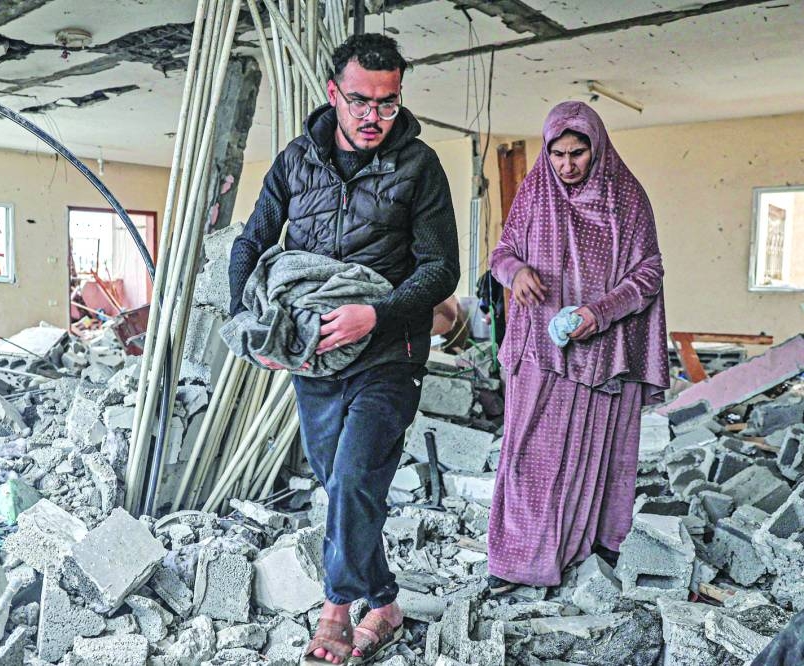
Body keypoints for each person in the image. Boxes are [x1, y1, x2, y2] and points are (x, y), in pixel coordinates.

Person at [228, 34, 459, 664]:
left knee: (356, 476)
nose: (373, 117)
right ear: (333, 94)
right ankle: (383, 604)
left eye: (388, 104)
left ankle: (334, 611)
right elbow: (249, 244)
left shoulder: (420, 166)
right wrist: (254, 332)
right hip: (316, 355)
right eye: (360, 101)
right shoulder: (296, 160)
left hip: (390, 353)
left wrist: (375, 314)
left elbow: (441, 271)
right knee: (342, 486)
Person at [486, 101, 669, 594]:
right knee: (528, 457)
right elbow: (502, 252)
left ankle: (579, 557)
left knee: (590, 460)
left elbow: (649, 273)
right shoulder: (536, 190)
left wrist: (599, 313)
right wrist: (515, 272)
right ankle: (517, 561)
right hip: (539, 352)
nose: (566, 166)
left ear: (597, 149)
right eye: (558, 154)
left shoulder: (626, 199)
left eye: (577, 154)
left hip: (600, 354)